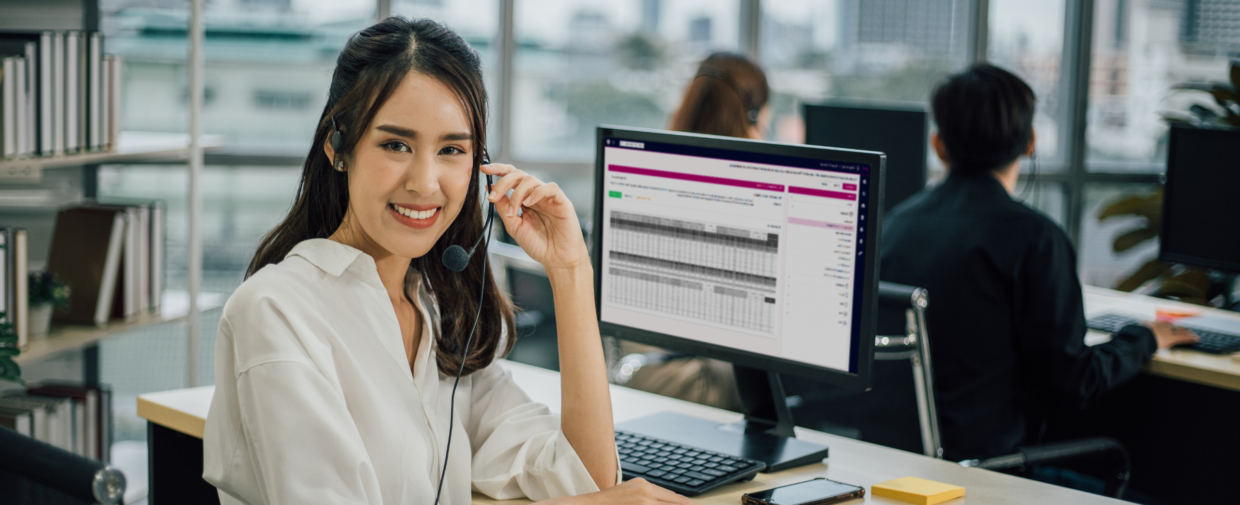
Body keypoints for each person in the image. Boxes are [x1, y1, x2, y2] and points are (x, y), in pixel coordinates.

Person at [202, 18, 691, 505]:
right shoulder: (276, 311)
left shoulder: (437, 311)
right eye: (396, 144)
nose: (425, 181)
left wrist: (571, 272)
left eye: (452, 149)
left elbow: (585, 479)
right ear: (338, 149)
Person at [879, 64, 1199, 462]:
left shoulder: (894, 225)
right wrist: (1145, 338)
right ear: (1030, 141)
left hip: (891, 459)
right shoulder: (1034, 238)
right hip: (985, 468)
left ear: (939, 145)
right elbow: (1074, 383)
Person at [618, 52, 770, 411]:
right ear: (753, 117)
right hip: (694, 385)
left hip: (633, 377)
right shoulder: (742, 198)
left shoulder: (645, 178)